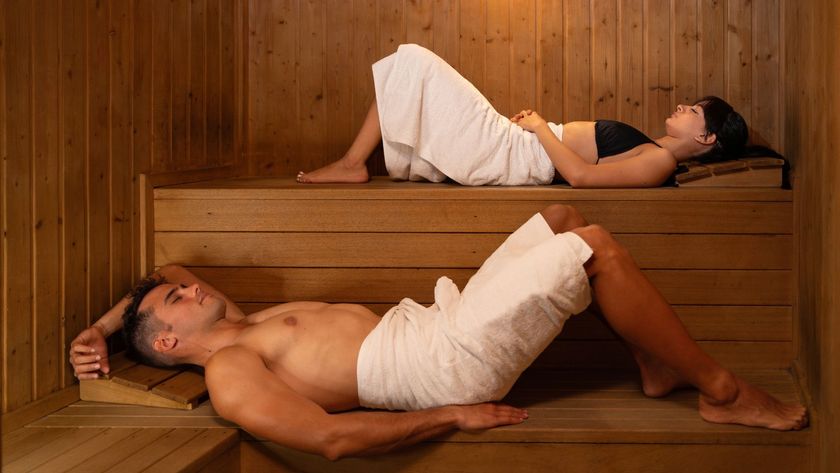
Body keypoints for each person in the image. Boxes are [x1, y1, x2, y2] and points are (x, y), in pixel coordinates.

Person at [70, 205, 807, 460]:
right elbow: (330, 438)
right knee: (597, 250)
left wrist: (104, 328)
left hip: (435, 322)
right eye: (178, 297)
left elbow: (159, 263)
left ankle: (655, 364)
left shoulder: (236, 323)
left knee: (561, 221)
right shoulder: (231, 372)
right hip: (439, 365)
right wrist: (449, 414)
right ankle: (721, 389)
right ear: (168, 341)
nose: (191, 284)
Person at [296, 44, 749, 188]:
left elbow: (582, 179)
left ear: (707, 138)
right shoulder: (652, 150)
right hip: (518, 145)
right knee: (408, 63)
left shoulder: (661, 162)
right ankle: (353, 163)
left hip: (518, 153)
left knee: (413, 58)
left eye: (693, 111)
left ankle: (353, 163)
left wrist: (538, 127)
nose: (681, 107)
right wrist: (537, 130)